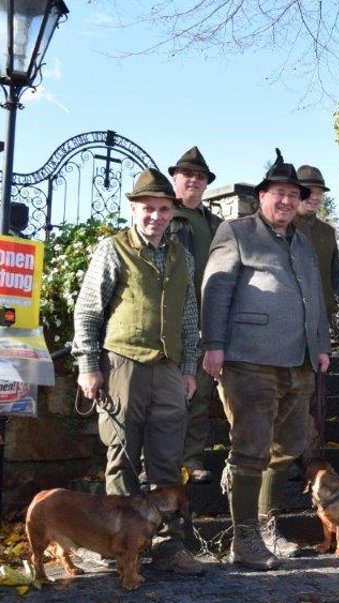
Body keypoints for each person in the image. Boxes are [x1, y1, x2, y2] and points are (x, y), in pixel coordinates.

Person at [202, 151, 331, 569]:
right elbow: (216, 289)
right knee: (250, 448)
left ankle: (264, 521)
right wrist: (214, 344)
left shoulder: (304, 243)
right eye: (280, 193)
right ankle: (245, 540)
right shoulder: (236, 232)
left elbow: (316, 299)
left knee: (291, 445)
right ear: (262, 195)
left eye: (294, 195)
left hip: (300, 362)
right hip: (250, 359)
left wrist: (322, 344)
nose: (287, 202)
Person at [72, 168, 203, 575]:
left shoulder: (184, 256)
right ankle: (116, 546)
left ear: (172, 213)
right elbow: (89, 311)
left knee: (167, 459)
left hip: (167, 369)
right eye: (148, 208)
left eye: (164, 209)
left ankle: (168, 547)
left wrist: (187, 368)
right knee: (122, 456)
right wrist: (89, 367)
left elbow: (188, 317)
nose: (156, 216)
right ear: (133, 208)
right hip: (122, 363)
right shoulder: (113, 249)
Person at [166, 146, 223, 484]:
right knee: (164, 398)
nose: (194, 181)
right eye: (188, 175)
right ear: (175, 178)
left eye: (200, 177)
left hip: (204, 321)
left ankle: (192, 459)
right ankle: (159, 462)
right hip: (168, 321)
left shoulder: (216, 224)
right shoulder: (163, 215)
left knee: (199, 395)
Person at [294, 164, 339, 461]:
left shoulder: (327, 232)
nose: (315, 197)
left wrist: (334, 297)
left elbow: (336, 272)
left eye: (320, 192)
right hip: (289, 323)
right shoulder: (286, 226)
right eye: (310, 191)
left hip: (320, 324)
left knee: (317, 395)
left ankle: (313, 458)